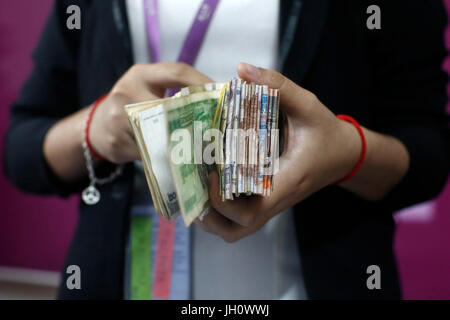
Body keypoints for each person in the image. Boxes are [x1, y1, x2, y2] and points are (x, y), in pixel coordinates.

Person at [4, 0, 450, 299]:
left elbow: (428, 152)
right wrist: (96, 128)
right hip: (118, 282)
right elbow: (23, 149)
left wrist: (346, 152)